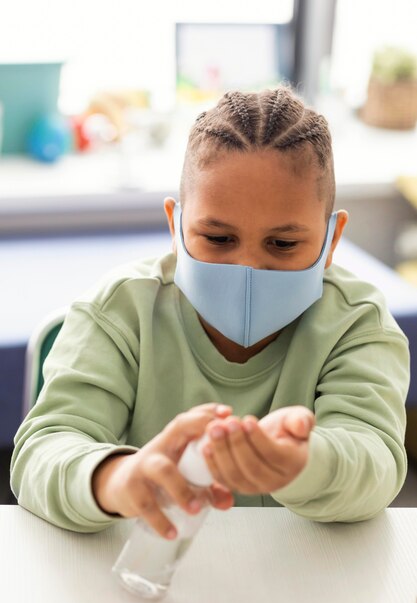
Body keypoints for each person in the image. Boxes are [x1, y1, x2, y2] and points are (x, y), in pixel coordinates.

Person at [11, 85, 410, 538]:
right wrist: (115, 477)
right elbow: (42, 450)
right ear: (175, 225)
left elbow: (375, 460)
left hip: (296, 585)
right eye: (218, 239)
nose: (247, 268)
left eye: (282, 244)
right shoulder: (120, 311)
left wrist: (302, 462)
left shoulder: (358, 326)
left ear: (331, 239)